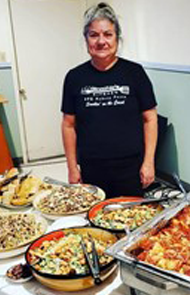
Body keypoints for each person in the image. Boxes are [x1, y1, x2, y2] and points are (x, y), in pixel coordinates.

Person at [61, 2, 158, 198]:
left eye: (108, 34)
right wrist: (72, 168)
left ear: (117, 38)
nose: (101, 41)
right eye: (94, 34)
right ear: (86, 39)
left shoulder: (135, 73)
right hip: (92, 167)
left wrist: (149, 162)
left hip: (131, 167)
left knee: (131, 220)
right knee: (95, 221)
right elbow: (68, 125)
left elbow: (150, 119)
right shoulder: (74, 77)